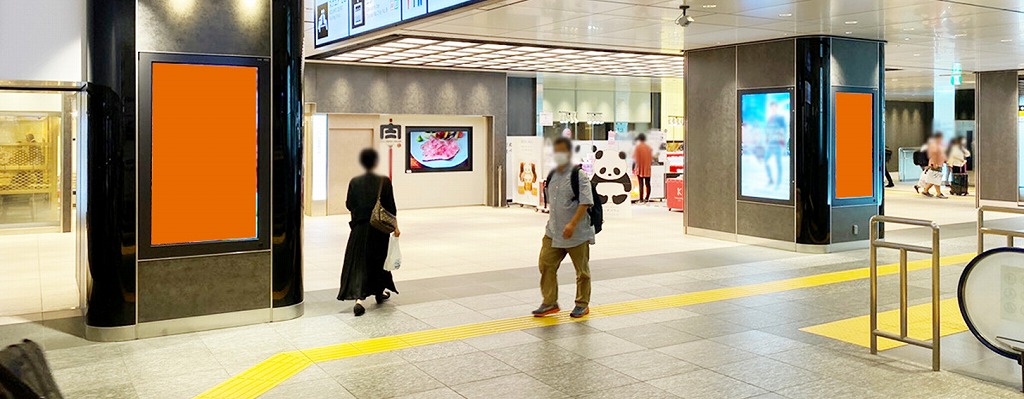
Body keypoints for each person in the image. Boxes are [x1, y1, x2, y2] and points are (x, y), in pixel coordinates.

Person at [533, 137, 594, 319]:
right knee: (546, 264)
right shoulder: (552, 174)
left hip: (576, 232)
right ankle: (550, 302)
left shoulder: (578, 175)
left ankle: (582, 304)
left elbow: (586, 202)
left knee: (581, 271)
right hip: (553, 231)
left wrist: (572, 224)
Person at [337, 148, 400, 316]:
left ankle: (360, 298)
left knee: (360, 262)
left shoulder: (355, 181)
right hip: (378, 230)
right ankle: (377, 292)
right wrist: (396, 227)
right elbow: (390, 207)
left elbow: (349, 204)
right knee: (379, 260)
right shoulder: (383, 181)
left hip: (359, 228)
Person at [920, 132, 947, 199]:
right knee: (936, 179)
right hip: (936, 165)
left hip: (938, 164)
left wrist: (945, 161)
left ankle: (927, 191)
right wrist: (934, 164)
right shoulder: (935, 146)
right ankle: (937, 193)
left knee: (935, 180)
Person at [633, 133, 653, 203]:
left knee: (640, 184)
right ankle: (647, 198)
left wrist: (633, 167)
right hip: (647, 167)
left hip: (640, 167)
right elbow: (651, 158)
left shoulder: (638, 147)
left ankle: (641, 199)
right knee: (648, 184)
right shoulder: (649, 147)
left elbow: (635, 158)